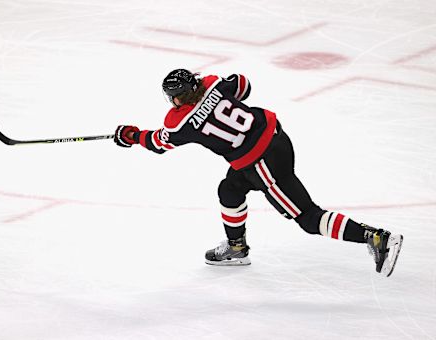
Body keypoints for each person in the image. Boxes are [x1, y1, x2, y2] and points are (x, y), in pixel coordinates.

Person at [114, 69, 403, 277]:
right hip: (276, 136)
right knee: (230, 189)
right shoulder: (214, 84)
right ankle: (236, 247)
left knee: (307, 217)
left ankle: (374, 237)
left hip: (261, 163)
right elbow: (243, 84)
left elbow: (159, 143)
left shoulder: (181, 122)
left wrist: (131, 135)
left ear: (177, 98)